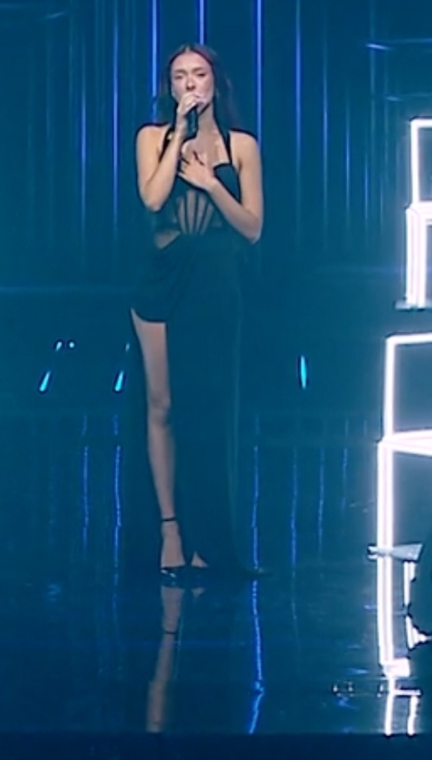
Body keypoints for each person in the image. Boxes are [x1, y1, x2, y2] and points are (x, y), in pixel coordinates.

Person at [130, 43, 263, 582]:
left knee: (210, 410)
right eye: (180, 76)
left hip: (217, 277)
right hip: (163, 274)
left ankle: (212, 537)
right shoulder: (152, 137)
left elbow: (252, 227)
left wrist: (211, 182)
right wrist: (179, 137)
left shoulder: (242, 146)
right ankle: (170, 528)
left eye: (199, 74)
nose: (190, 84)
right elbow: (153, 197)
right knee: (163, 404)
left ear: (216, 82)